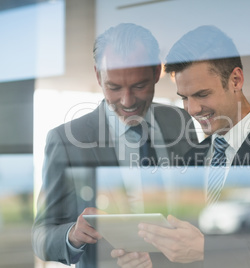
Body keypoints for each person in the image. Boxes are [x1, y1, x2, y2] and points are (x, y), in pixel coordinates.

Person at [136, 25, 250, 267]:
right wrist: (153, 258)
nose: (191, 109)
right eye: (184, 97)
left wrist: (208, 249)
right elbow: (188, 251)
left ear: (236, 80)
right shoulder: (192, 158)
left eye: (202, 94)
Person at [32, 23, 198, 268]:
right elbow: (41, 236)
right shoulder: (66, 140)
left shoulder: (182, 121)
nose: (127, 101)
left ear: (155, 72)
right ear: (99, 76)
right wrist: (73, 235)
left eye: (139, 86)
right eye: (114, 87)